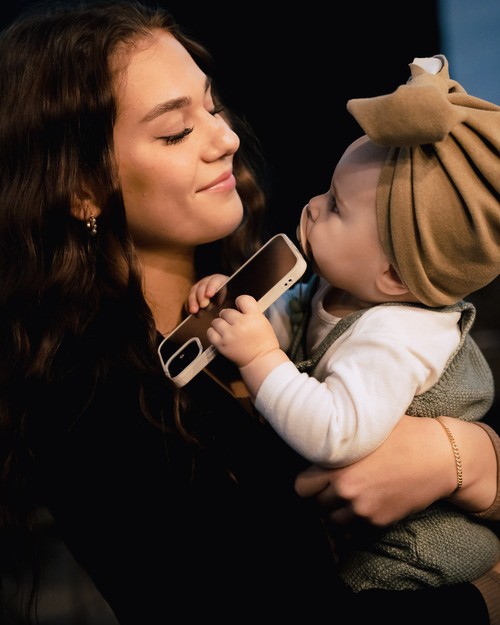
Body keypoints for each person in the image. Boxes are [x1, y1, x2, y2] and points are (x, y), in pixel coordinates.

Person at [0, 2, 498, 622]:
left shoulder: (269, 291)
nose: (227, 139)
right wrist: (486, 597)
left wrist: (464, 458)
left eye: (212, 109)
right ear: (82, 188)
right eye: (176, 131)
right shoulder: (91, 399)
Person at [188, 55, 500, 591]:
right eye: (326, 190)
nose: (312, 206)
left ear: (394, 276)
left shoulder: (397, 336)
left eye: (335, 206)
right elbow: (298, 325)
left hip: (415, 554)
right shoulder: (343, 289)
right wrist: (247, 311)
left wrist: (259, 356)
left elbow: (335, 432)